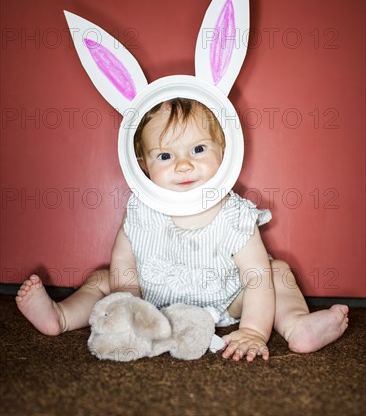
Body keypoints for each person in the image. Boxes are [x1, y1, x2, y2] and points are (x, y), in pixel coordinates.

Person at [16, 98, 349, 362]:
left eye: (199, 149)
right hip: (152, 299)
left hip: (226, 302)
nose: (183, 164)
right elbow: (124, 264)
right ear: (143, 165)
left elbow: (255, 276)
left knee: (277, 272)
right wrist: (132, 306)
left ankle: (295, 326)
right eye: (165, 155)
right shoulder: (141, 209)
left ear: (224, 150)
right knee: (103, 280)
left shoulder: (234, 214)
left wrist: (252, 331)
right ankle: (61, 316)